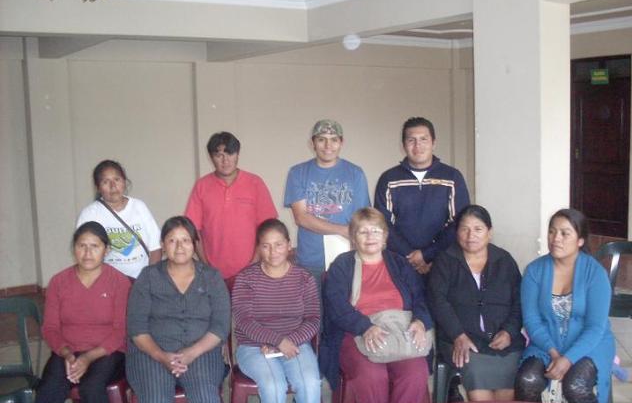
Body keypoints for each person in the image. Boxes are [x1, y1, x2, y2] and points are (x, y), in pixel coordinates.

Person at [320, 207, 433, 403]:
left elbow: (421, 297)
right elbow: (336, 306)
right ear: (354, 238)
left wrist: (420, 321)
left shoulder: (400, 263)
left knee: (416, 372)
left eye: (375, 231)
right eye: (363, 232)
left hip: (400, 331)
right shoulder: (342, 265)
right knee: (372, 376)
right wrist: (365, 327)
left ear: (385, 236)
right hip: (355, 332)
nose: (370, 236)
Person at [126, 216, 230, 403]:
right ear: (163, 245)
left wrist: (192, 352)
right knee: (156, 402)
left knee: (206, 399)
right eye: (172, 240)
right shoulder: (148, 277)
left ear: (195, 244)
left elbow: (221, 326)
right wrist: (161, 356)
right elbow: (137, 328)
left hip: (201, 351)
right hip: (152, 352)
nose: (180, 246)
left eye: (185, 240)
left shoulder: (211, 277)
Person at [35, 221, 131, 403]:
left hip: (108, 351)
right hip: (67, 351)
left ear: (106, 250)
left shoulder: (118, 282)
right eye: (82, 246)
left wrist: (88, 358)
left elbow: (120, 330)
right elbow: (50, 328)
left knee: (92, 387)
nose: (87, 253)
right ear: (74, 249)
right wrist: (67, 354)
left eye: (94, 246)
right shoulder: (59, 282)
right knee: (48, 390)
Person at [515, 208, 614, 403]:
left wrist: (567, 359)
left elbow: (595, 327)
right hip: (546, 343)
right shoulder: (534, 271)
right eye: (552, 231)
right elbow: (531, 320)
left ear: (580, 240)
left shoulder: (595, 274)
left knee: (576, 385)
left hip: (589, 344)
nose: (556, 239)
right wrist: (553, 353)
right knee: (527, 380)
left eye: (564, 233)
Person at [232, 219, 321, 403]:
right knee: (273, 386)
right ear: (258, 248)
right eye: (266, 246)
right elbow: (244, 320)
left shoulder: (304, 278)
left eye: (279, 244)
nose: (273, 252)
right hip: (254, 347)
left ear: (289, 245)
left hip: (295, 344)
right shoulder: (246, 279)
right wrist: (277, 341)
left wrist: (287, 342)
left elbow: (313, 319)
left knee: (309, 383)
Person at [428, 205, 524, 401]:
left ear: (489, 232)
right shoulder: (445, 261)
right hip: (462, 341)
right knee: (478, 383)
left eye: (478, 229)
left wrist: (508, 332)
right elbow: (438, 301)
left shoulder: (504, 261)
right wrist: (458, 335)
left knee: (509, 390)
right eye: (464, 229)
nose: (471, 235)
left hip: (504, 342)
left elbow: (520, 301)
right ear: (457, 232)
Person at [374, 117, 470, 276]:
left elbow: (460, 222)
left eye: (423, 139)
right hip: (400, 263)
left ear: (434, 143)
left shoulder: (452, 177)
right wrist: (411, 256)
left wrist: (427, 254)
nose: (417, 146)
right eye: (411, 140)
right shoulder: (389, 179)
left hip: (443, 263)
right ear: (403, 145)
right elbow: (382, 224)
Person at [185, 132, 277, 285]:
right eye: (219, 155)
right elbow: (193, 230)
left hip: (252, 271)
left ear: (237, 154)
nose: (225, 160)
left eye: (230, 153)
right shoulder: (202, 186)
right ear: (211, 157)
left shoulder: (255, 183)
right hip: (213, 275)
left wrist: (254, 263)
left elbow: (268, 228)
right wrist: (207, 266)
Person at [284, 119, 370, 281]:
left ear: (341, 143)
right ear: (313, 143)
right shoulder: (297, 173)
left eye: (334, 140)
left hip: (347, 258)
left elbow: (362, 218)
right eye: (321, 139)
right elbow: (301, 217)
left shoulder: (355, 173)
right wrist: (343, 230)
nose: (328, 146)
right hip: (310, 261)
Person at [77, 160, 161, 279]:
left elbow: (155, 247)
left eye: (117, 180)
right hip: (108, 282)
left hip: (141, 281)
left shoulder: (139, 207)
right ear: (98, 187)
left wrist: (149, 279)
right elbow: (84, 253)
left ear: (124, 182)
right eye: (106, 182)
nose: (113, 186)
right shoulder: (90, 214)